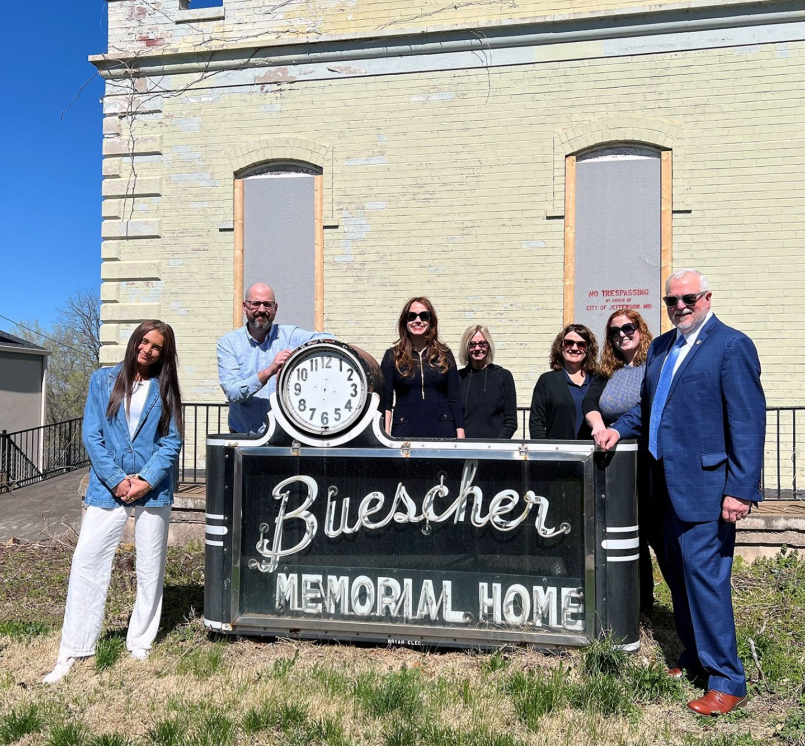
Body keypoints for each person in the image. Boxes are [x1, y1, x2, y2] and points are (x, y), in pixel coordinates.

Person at [597, 269, 765, 715]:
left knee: (707, 583)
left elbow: (748, 423)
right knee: (681, 580)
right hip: (661, 490)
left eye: (688, 298)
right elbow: (651, 410)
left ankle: (727, 680)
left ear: (707, 297)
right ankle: (693, 659)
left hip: (707, 490)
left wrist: (740, 490)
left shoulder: (732, 346)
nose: (680, 307)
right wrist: (617, 430)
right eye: (672, 301)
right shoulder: (661, 347)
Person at [44, 320, 183, 684]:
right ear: (134, 340)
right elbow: (92, 435)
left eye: (156, 346)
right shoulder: (102, 381)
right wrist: (119, 480)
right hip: (108, 487)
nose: (147, 349)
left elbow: (171, 442)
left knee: (151, 567)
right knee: (87, 560)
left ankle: (139, 642)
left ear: (163, 353)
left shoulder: (164, 388)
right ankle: (75, 646)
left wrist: (145, 480)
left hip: (153, 488)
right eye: (144, 341)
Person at [583, 309, 656, 613]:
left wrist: (616, 429)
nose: (622, 334)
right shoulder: (608, 371)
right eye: (615, 331)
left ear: (641, 329)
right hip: (610, 459)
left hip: (643, 460)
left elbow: (647, 408)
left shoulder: (654, 365)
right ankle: (612, 596)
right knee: (613, 530)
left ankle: (641, 602)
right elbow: (589, 402)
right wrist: (598, 425)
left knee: (640, 530)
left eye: (629, 327)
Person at [217, 282, 332, 434]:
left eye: (267, 304)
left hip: (284, 438)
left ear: (275, 308)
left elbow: (329, 339)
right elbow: (233, 393)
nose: (262, 310)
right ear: (244, 307)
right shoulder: (229, 343)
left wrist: (300, 353)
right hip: (244, 437)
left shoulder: (289, 335)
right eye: (256, 304)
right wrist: (269, 371)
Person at [381, 297, 465, 438]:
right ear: (405, 321)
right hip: (405, 429)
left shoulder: (444, 354)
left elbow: (454, 397)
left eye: (424, 316)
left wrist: (460, 433)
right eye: (412, 316)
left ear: (431, 321)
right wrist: (385, 433)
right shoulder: (392, 356)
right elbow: (386, 401)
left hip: (443, 427)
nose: (418, 320)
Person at [529, 324, 604, 439]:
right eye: (569, 343)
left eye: (581, 344)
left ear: (588, 348)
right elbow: (536, 424)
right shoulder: (547, 381)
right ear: (560, 346)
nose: (574, 348)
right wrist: (545, 450)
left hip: (595, 451)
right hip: (560, 453)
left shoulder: (598, 380)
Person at [458, 325, 517, 439]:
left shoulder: (503, 376)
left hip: (495, 451)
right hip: (465, 450)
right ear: (466, 347)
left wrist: (497, 446)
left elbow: (511, 422)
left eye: (482, 343)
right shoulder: (458, 378)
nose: (477, 348)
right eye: (472, 344)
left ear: (489, 346)